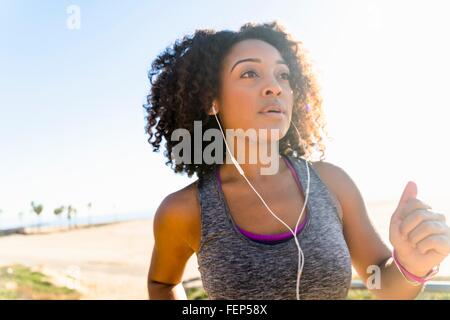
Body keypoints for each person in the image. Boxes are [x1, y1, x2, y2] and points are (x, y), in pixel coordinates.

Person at [144, 21, 450, 300]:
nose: (275, 86)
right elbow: (162, 284)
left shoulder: (332, 183)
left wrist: (411, 265)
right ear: (212, 100)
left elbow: (380, 280)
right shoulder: (185, 210)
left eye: (283, 75)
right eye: (249, 73)